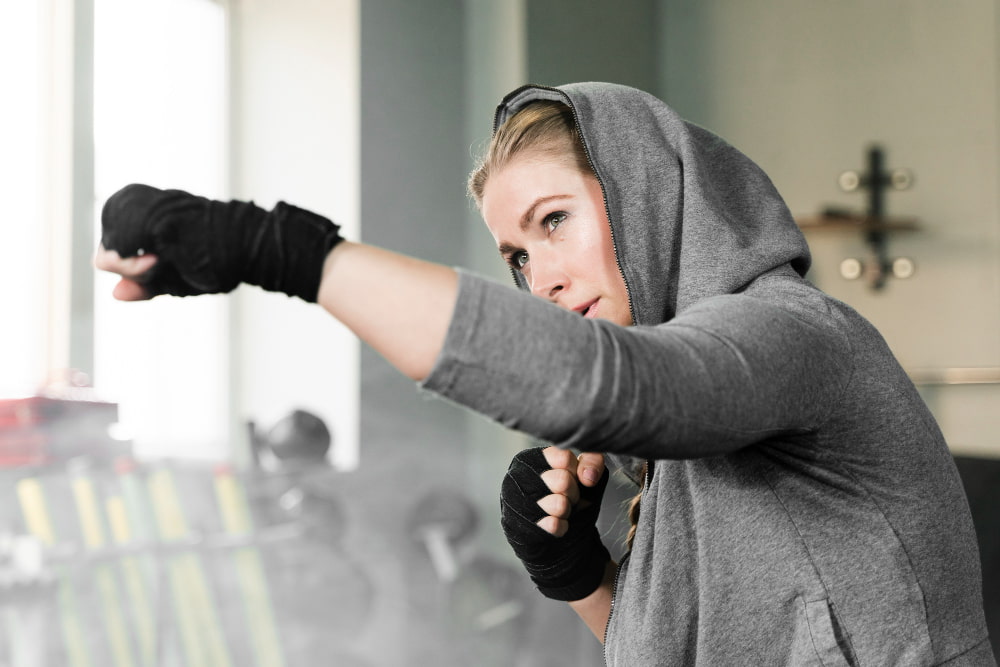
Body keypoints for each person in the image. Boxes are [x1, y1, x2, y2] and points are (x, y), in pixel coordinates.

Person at [95, 82, 994, 665]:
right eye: (518, 254)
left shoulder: (793, 338)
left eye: (555, 219)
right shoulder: (668, 465)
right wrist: (584, 578)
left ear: (646, 189)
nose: (542, 276)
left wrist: (284, 253)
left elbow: (606, 383)